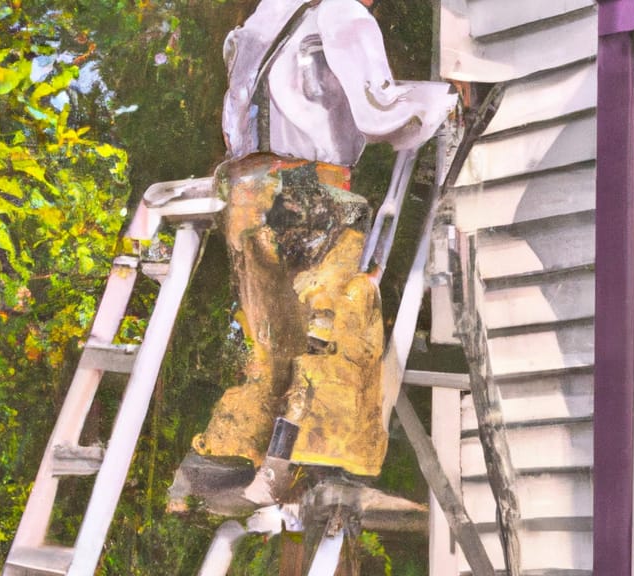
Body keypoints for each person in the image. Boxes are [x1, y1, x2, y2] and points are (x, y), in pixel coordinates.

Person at [178, 0, 455, 505]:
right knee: (336, 321)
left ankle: (221, 464)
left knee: (269, 338)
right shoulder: (342, 12)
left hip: (246, 191)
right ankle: (308, 467)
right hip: (308, 187)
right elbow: (381, 115)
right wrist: (443, 102)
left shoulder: (262, 19)